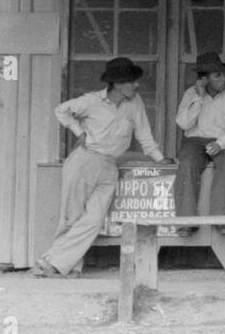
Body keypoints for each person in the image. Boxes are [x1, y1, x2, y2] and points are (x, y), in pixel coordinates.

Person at [35, 57, 170, 277]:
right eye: (132, 81)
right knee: (71, 216)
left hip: (110, 167)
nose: (137, 85)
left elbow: (144, 134)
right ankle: (65, 267)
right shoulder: (91, 101)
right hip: (84, 161)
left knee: (94, 220)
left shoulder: (135, 103)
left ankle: (51, 263)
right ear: (118, 84)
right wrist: (80, 133)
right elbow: (61, 110)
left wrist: (159, 159)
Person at [173, 51, 225, 236]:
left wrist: (220, 144)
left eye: (224, 74)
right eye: (217, 75)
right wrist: (198, 98)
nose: (224, 79)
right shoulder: (190, 94)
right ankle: (186, 222)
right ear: (203, 79)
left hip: (223, 141)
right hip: (194, 140)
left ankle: (221, 220)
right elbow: (183, 123)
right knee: (187, 164)